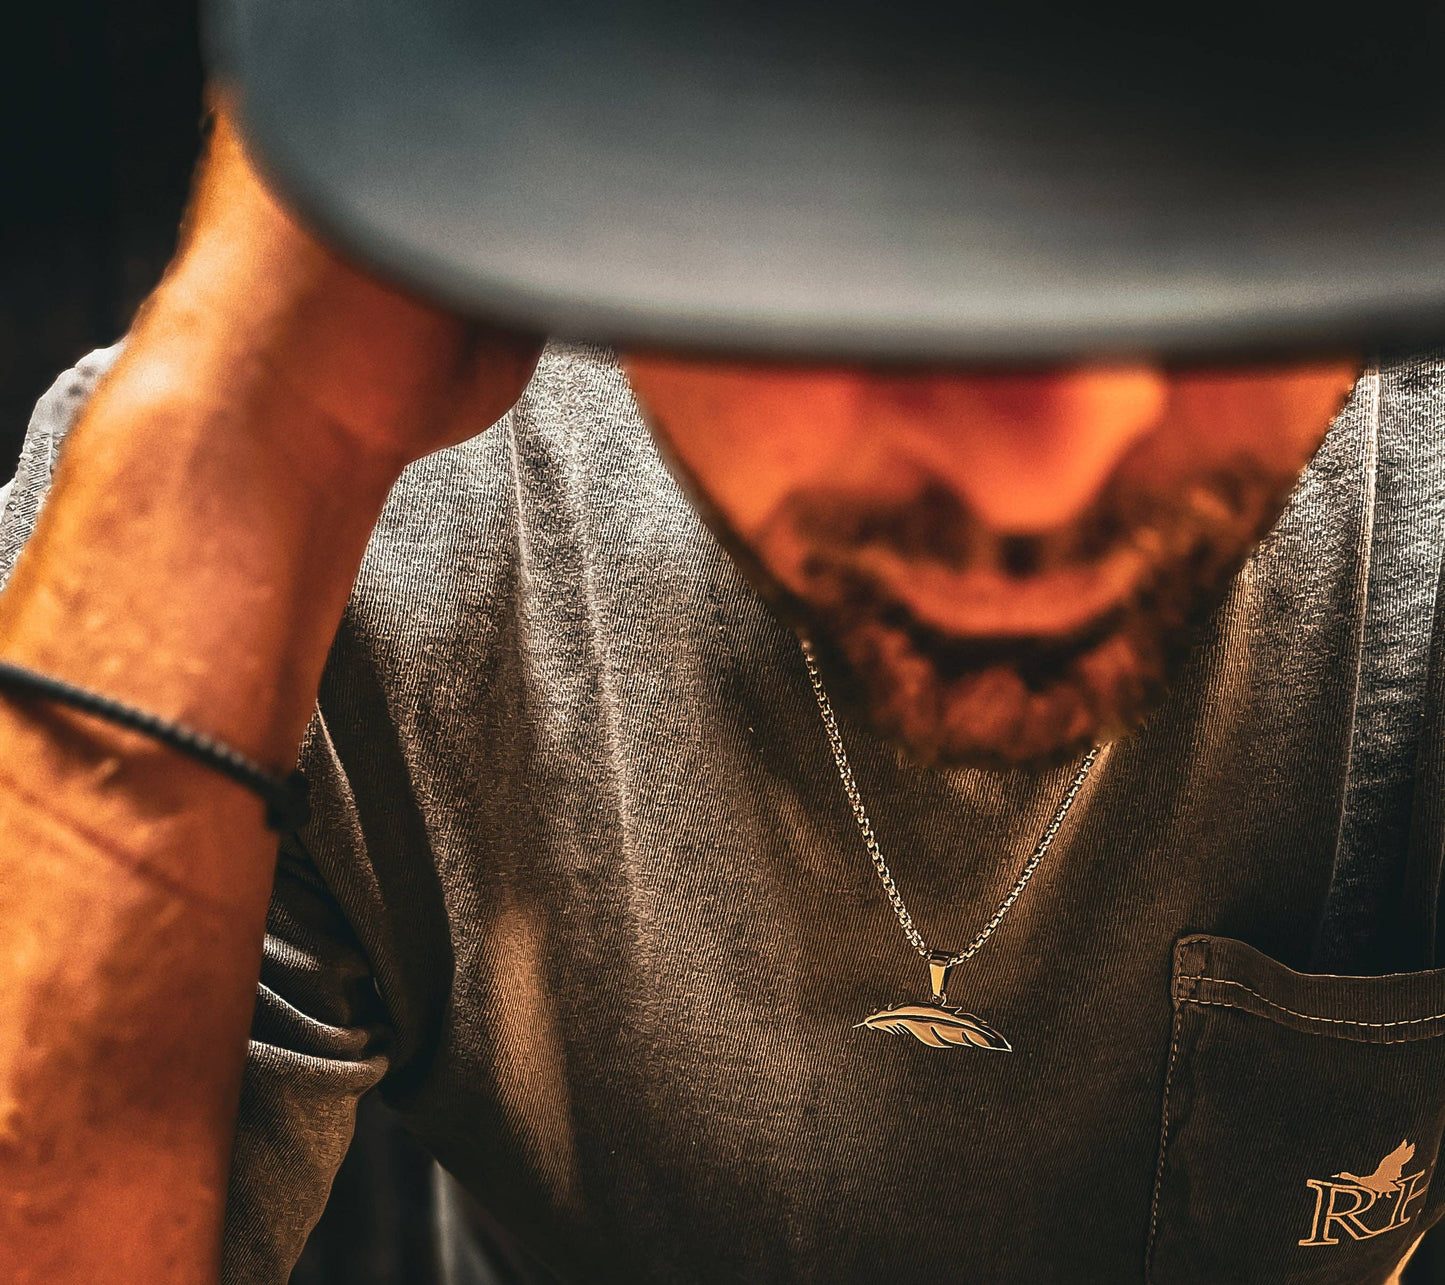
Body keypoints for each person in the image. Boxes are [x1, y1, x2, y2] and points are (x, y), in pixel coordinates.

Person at [5, 5, 1445, 1283]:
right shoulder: (310, 526)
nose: (1032, 485)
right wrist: (247, 432)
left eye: (1211, 208)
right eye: (831, 219)